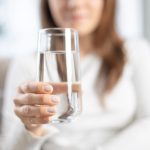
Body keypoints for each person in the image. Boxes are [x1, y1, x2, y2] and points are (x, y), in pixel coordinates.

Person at [2, 0, 150, 150]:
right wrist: (32, 129)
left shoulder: (134, 52)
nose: (74, 4)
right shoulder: (27, 64)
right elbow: (9, 147)